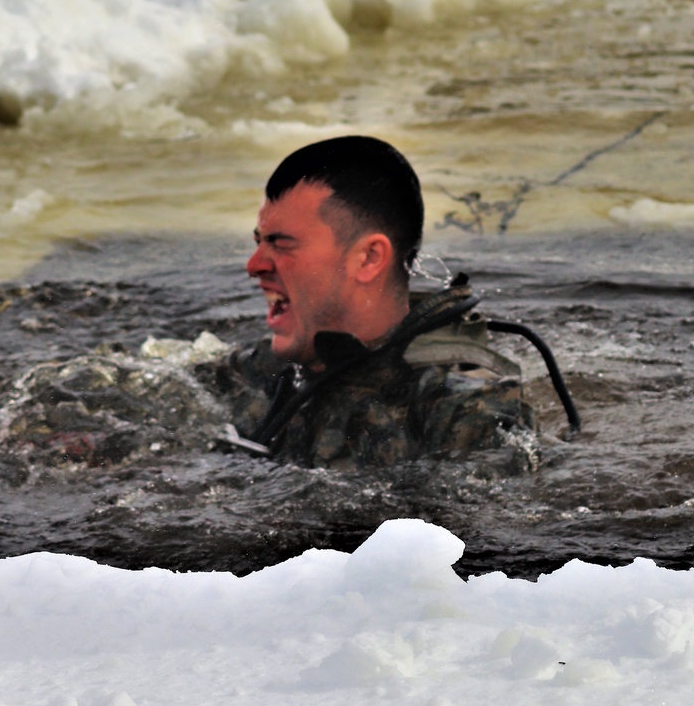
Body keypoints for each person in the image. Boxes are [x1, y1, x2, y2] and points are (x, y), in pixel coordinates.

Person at [212, 135, 538, 469]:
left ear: (368, 258)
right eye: (258, 242)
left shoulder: (464, 415)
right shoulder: (250, 374)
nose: (254, 266)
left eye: (281, 244)